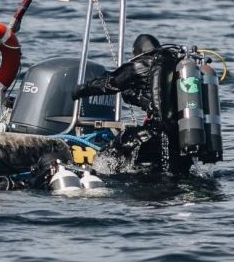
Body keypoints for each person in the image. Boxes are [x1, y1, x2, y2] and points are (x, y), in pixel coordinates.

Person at [71, 34, 190, 173]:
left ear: (138, 53)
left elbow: (110, 82)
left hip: (155, 133)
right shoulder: (175, 65)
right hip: (182, 136)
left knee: (109, 155)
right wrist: (131, 95)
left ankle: (102, 182)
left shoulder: (141, 64)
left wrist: (80, 90)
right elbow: (158, 99)